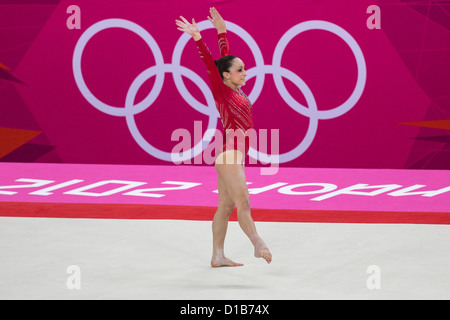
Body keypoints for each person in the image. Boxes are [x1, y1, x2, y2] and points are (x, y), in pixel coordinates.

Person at [176, 7, 272, 267]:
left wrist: (221, 31)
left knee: (226, 207)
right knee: (244, 202)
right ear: (227, 76)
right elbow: (212, 64)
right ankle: (256, 242)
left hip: (233, 156)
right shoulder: (223, 92)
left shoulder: (234, 89)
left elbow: (222, 60)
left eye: (244, 68)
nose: (245, 72)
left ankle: (217, 256)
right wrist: (197, 38)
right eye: (240, 70)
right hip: (230, 154)